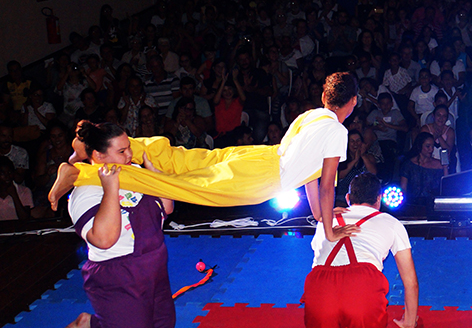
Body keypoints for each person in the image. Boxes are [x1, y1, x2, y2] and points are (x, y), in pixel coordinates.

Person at [48, 73, 358, 220]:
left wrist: (322, 217)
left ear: (324, 97)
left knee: (181, 159)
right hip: (263, 178)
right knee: (183, 185)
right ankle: (80, 173)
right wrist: (330, 229)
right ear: (354, 102)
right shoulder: (336, 132)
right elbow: (324, 184)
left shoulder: (312, 115)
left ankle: (84, 147)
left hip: (258, 156)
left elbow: (311, 178)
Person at [31, 121, 176, 328]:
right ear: (98, 155)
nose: (130, 155)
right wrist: (111, 189)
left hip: (153, 267)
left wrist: (154, 175)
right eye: (121, 151)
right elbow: (104, 239)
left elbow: (166, 209)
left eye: (128, 147)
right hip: (118, 277)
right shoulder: (85, 191)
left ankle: (93, 324)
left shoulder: (134, 172)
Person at [303, 173, 419, 328]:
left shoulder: (327, 219)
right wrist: (409, 320)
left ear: (348, 198)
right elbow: (410, 281)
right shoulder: (390, 222)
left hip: (320, 284)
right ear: (379, 200)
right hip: (362, 286)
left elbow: (318, 252)